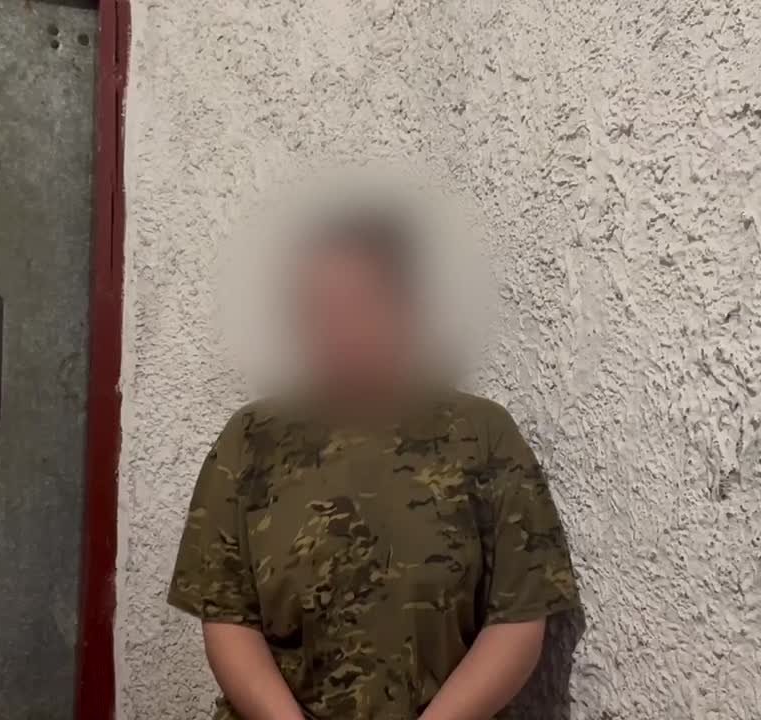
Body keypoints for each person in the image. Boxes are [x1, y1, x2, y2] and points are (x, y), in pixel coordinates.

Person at [167, 204, 579, 720]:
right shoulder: (251, 439)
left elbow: (518, 620)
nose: (339, 332)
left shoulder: (481, 436)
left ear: (404, 309)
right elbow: (227, 618)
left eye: (359, 305)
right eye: (319, 311)